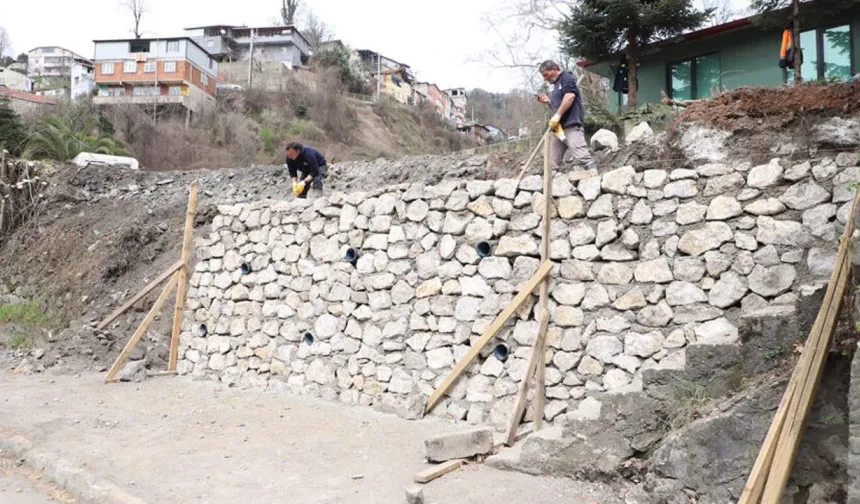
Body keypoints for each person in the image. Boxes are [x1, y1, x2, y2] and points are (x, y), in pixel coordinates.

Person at [536, 60, 597, 171]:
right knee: (551, 162)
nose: (545, 78)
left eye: (546, 74)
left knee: (582, 156)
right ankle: (551, 184)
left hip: (571, 125)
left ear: (554, 69)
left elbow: (570, 97)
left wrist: (557, 116)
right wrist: (549, 102)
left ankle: (593, 178)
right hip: (558, 129)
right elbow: (559, 108)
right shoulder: (556, 86)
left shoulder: (566, 77)